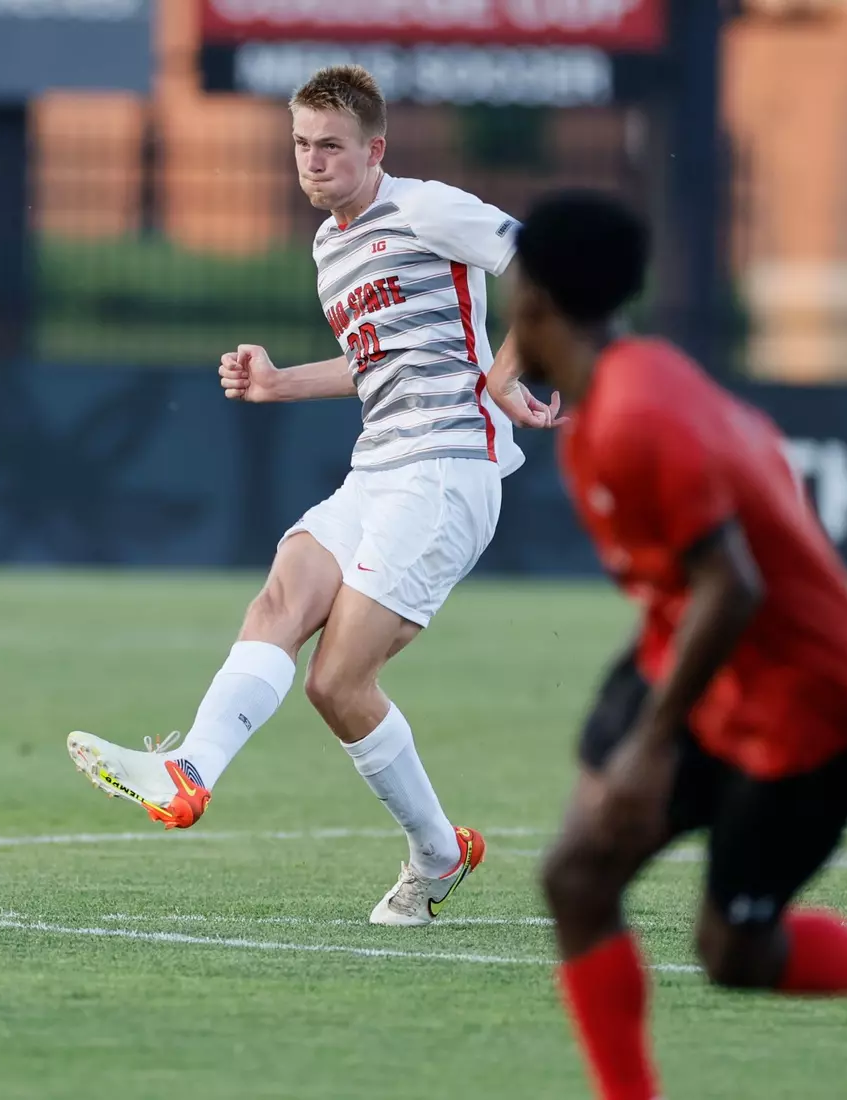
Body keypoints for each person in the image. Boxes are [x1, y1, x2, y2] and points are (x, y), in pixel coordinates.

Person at [497, 189, 847, 1098]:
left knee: (733, 951)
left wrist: (651, 750)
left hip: (802, 709)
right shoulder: (631, 380)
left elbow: (735, 585)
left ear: (534, 303)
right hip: (694, 653)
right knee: (577, 877)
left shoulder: (632, 416)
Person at [65, 65, 562, 926]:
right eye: (301, 145)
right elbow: (382, 362)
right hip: (378, 469)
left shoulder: (424, 207)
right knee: (280, 599)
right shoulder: (331, 245)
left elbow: (553, 269)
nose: (313, 161)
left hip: (446, 475)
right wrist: (277, 382)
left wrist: (501, 375)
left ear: (375, 149)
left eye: (331, 146)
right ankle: (189, 774)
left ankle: (438, 853)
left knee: (337, 682)